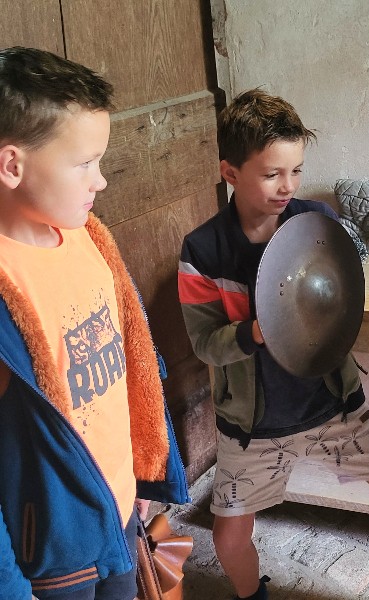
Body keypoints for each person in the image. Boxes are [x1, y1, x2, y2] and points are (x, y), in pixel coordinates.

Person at [177, 89, 369, 600]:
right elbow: (206, 344)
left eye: (296, 170)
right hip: (254, 425)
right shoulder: (203, 250)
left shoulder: (316, 223)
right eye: (272, 173)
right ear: (230, 173)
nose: (288, 186)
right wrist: (255, 332)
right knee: (229, 536)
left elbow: (341, 298)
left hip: (332, 405)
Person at [0, 47, 189, 600]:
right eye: (84, 163)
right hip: (54, 553)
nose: (100, 181)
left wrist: (140, 473)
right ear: (11, 165)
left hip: (120, 509)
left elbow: (130, 367)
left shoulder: (91, 240)